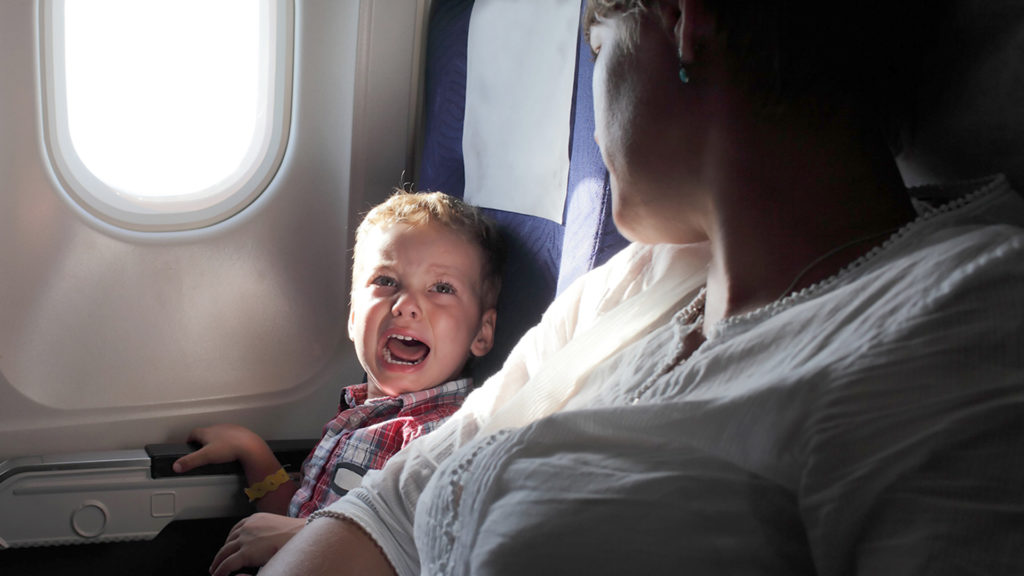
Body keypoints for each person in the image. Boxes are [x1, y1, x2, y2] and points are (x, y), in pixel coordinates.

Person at [263, 0, 1024, 574]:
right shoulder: (632, 281)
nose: (590, 113)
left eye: (598, 48)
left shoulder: (963, 318)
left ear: (682, 21)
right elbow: (395, 504)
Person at [171, 191, 505, 576]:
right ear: (352, 318)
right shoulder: (360, 418)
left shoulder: (443, 438)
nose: (406, 304)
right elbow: (290, 521)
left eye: (441, 288)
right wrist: (254, 453)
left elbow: (420, 553)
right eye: (386, 280)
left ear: (482, 332)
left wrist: (303, 534)